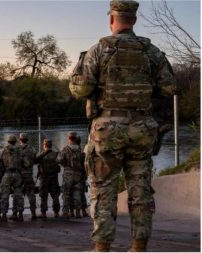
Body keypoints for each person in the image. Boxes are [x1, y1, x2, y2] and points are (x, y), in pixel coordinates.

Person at [68, 0, 175, 250]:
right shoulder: (152, 52)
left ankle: (102, 248)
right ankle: (138, 247)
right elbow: (169, 87)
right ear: (134, 20)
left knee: (103, 191)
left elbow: (80, 88)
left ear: (112, 20)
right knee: (141, 192)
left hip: (107, 131)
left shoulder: (99, 50)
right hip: (142, 129)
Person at [0, 135, 28, 222]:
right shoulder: (20, 150)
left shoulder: (3, 150)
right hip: (17, 174)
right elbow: (27, 164)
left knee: (4, 195)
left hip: (7, 174)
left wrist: (2, 165)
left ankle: (4, 215)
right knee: (19, 195)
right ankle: (20, 215)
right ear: (15, 141)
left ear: (8, 141)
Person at [57, 132, 84, 219]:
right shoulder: (80, 149)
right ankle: (78, 212)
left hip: (68, 173)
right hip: (78, 174)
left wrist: (65, 164)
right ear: (76, 138)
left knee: (66, 193)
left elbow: (59, 160)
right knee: (77, 193)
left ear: (69, 138)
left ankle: (65, 212)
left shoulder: (65, 149)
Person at [34, 139, 61, 219]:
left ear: (44, 145)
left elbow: (35, 161)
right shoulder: (56, 154)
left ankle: (43, 213)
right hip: (54, 177)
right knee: (55, 195)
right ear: (51, 145)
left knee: (43, 195)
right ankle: (56, 212)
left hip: (44, 178)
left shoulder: (41, 154)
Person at [18, 133, 37, 220]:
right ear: (27, 140)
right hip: (29, 174)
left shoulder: (17, 149)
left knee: (19, 194)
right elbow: (35, 159)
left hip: (19, 175)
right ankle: (33, 213)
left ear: (20, 139)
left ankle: (20, 214)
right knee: (31, 194)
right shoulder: (32, 149)